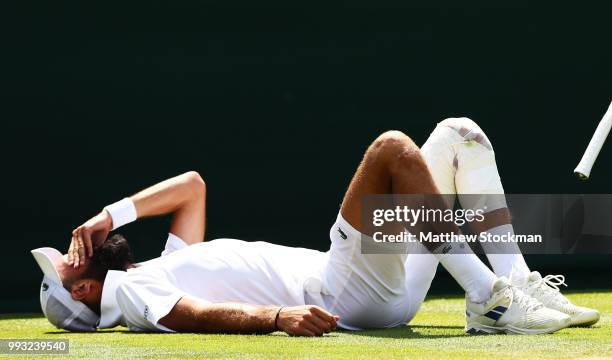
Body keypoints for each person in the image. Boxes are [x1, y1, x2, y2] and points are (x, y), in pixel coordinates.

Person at [31, 118, 598, 336]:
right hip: (340, 291)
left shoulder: (157, 268)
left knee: (457, 137)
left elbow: (193, 187)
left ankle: (511, 282)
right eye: (68, 258)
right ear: (82, 291)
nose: (75, 244)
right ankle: (488, 297)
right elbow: (193, 317)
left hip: (375, 289)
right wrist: (277, 317)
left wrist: (112, 214)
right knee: (392, 149)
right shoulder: (129, 293)